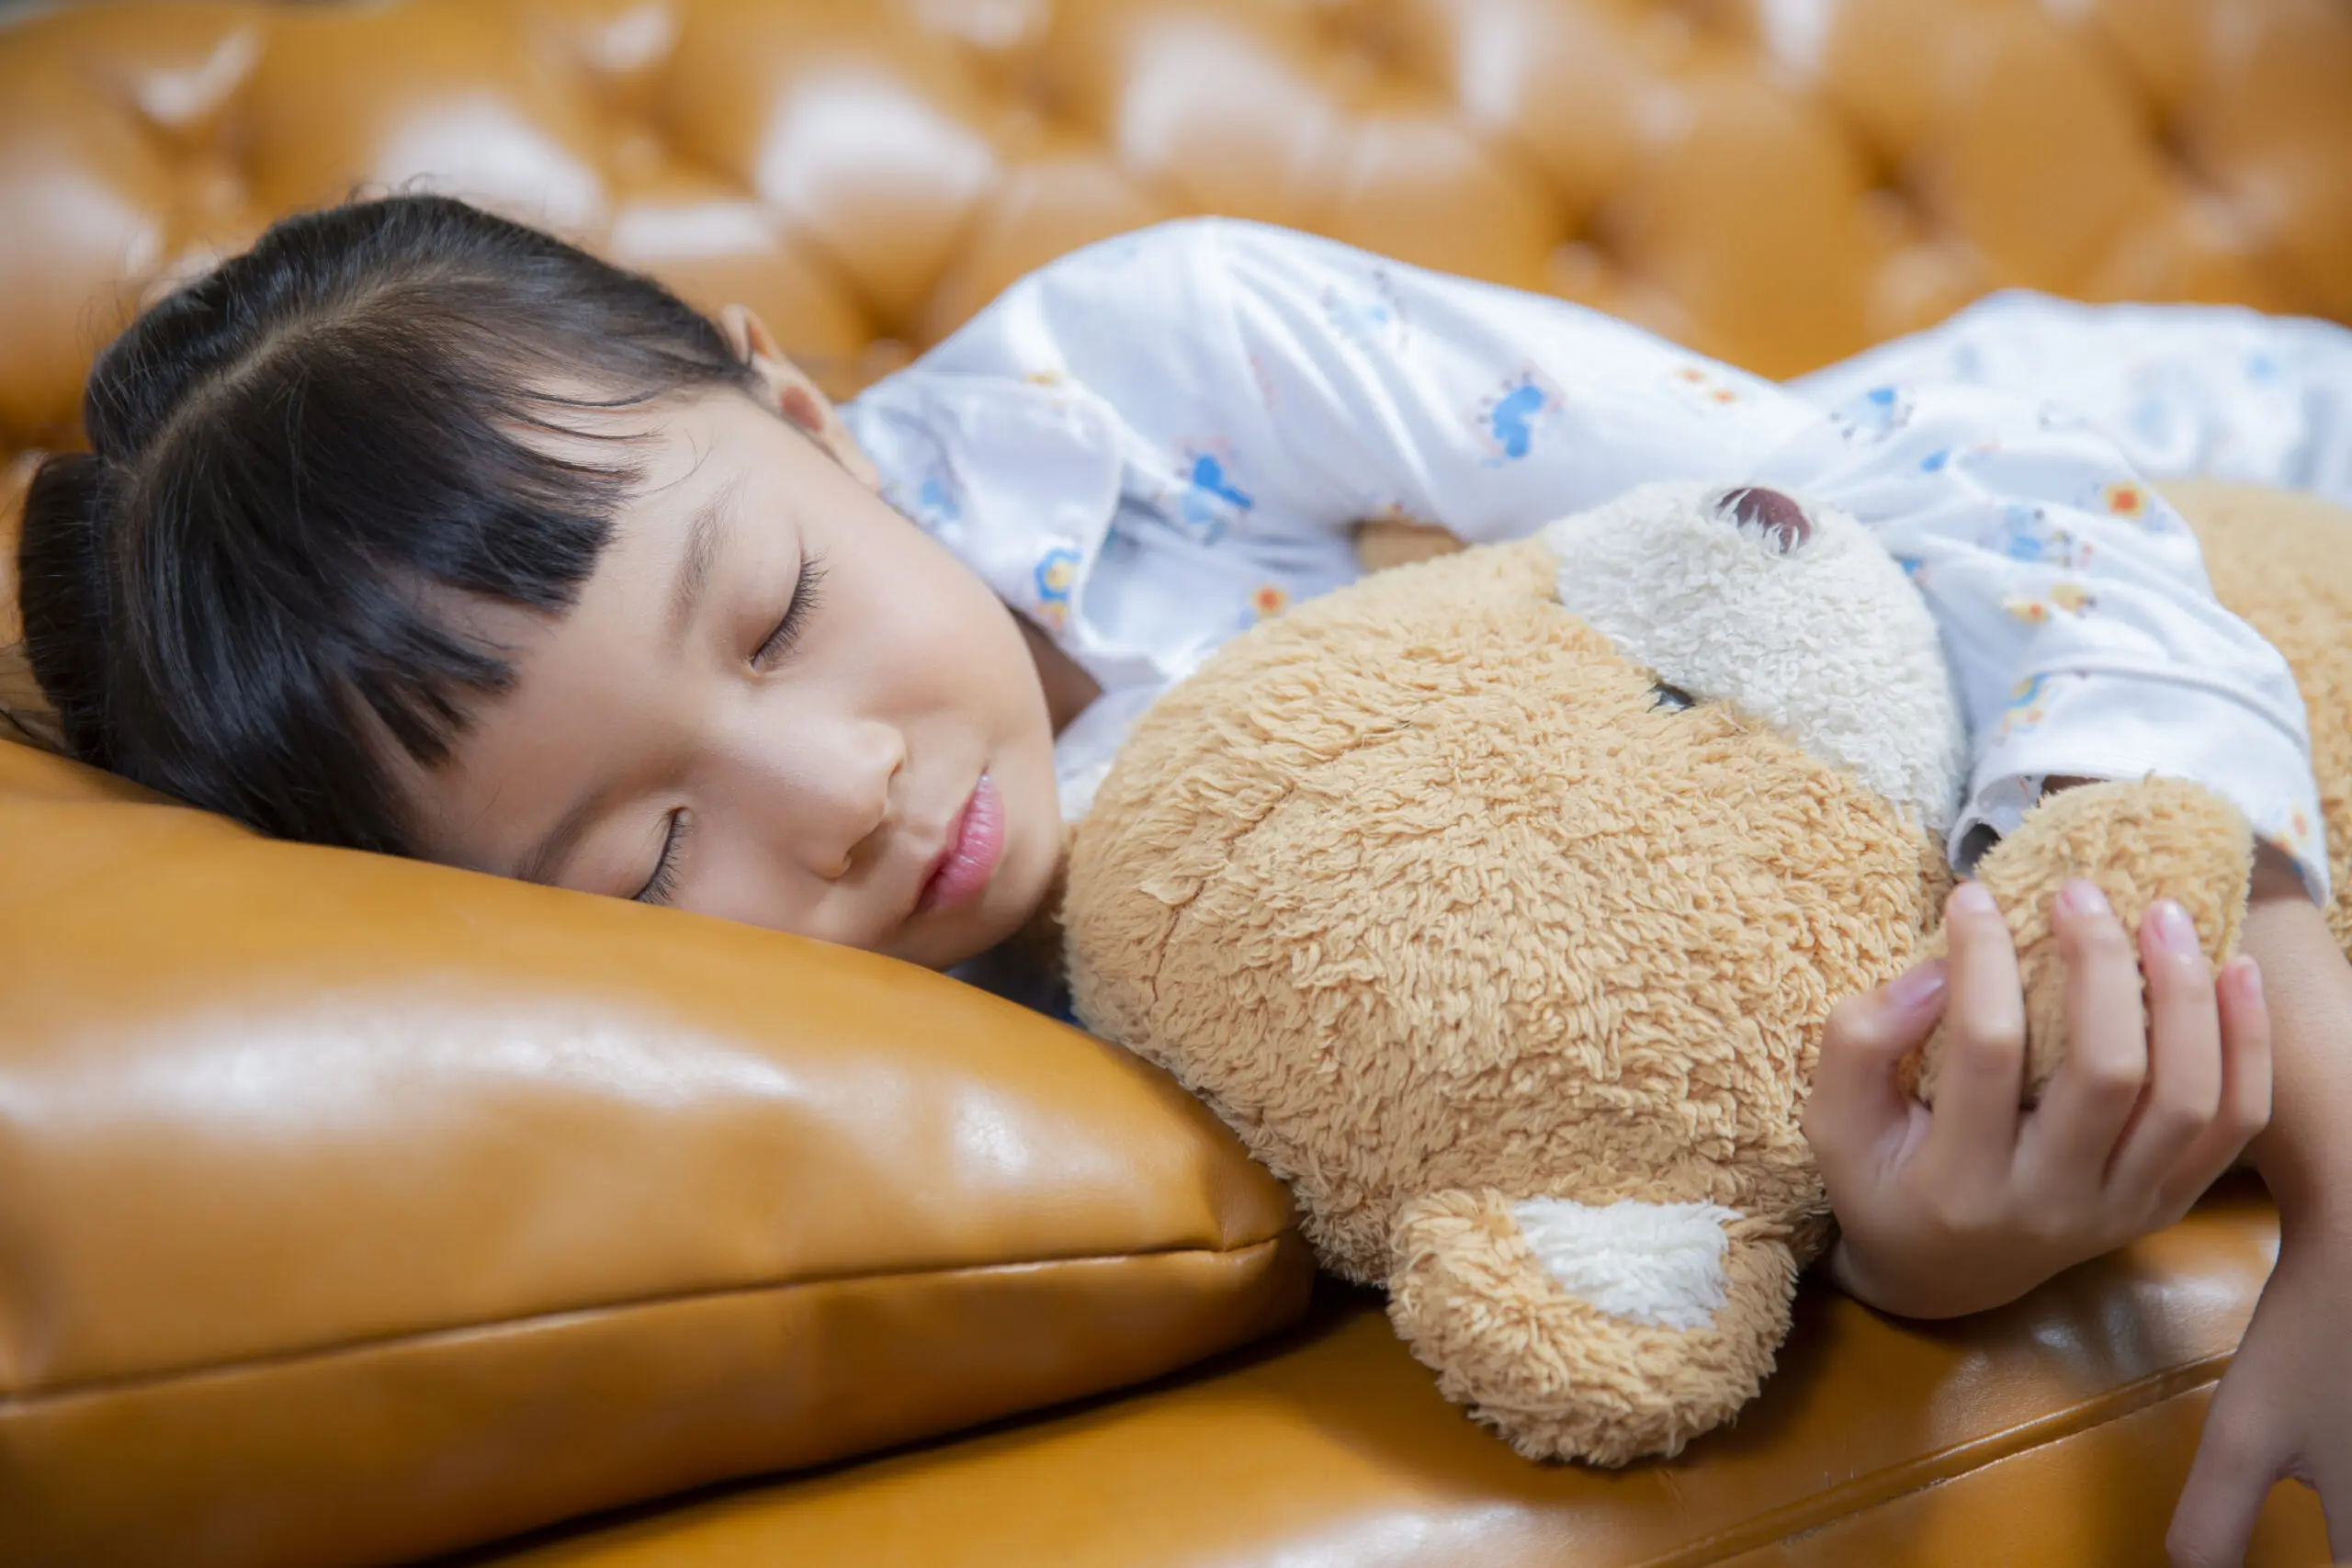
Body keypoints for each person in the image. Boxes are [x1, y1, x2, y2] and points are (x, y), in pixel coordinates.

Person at [15, 195, 2348, 1562]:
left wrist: (2329, 1162)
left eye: (780, 608)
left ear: (804, 416)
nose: (837, 791)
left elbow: (1942, 490)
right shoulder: (880, 1064)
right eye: (645, 854)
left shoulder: (1167, 362)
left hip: (2204, 453)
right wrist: (1929, 1256)